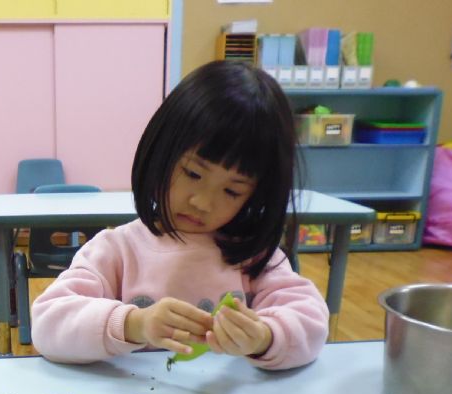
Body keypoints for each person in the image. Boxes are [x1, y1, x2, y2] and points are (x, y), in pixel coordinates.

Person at [31, 61, 328, 369]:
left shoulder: (254, 257)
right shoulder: (117, 250)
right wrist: (134, 324)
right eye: (193, 173)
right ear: (161, 152)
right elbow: (48, 324)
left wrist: (266, 337)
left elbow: (311, 322)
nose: (203, 202)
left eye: (232, 191)